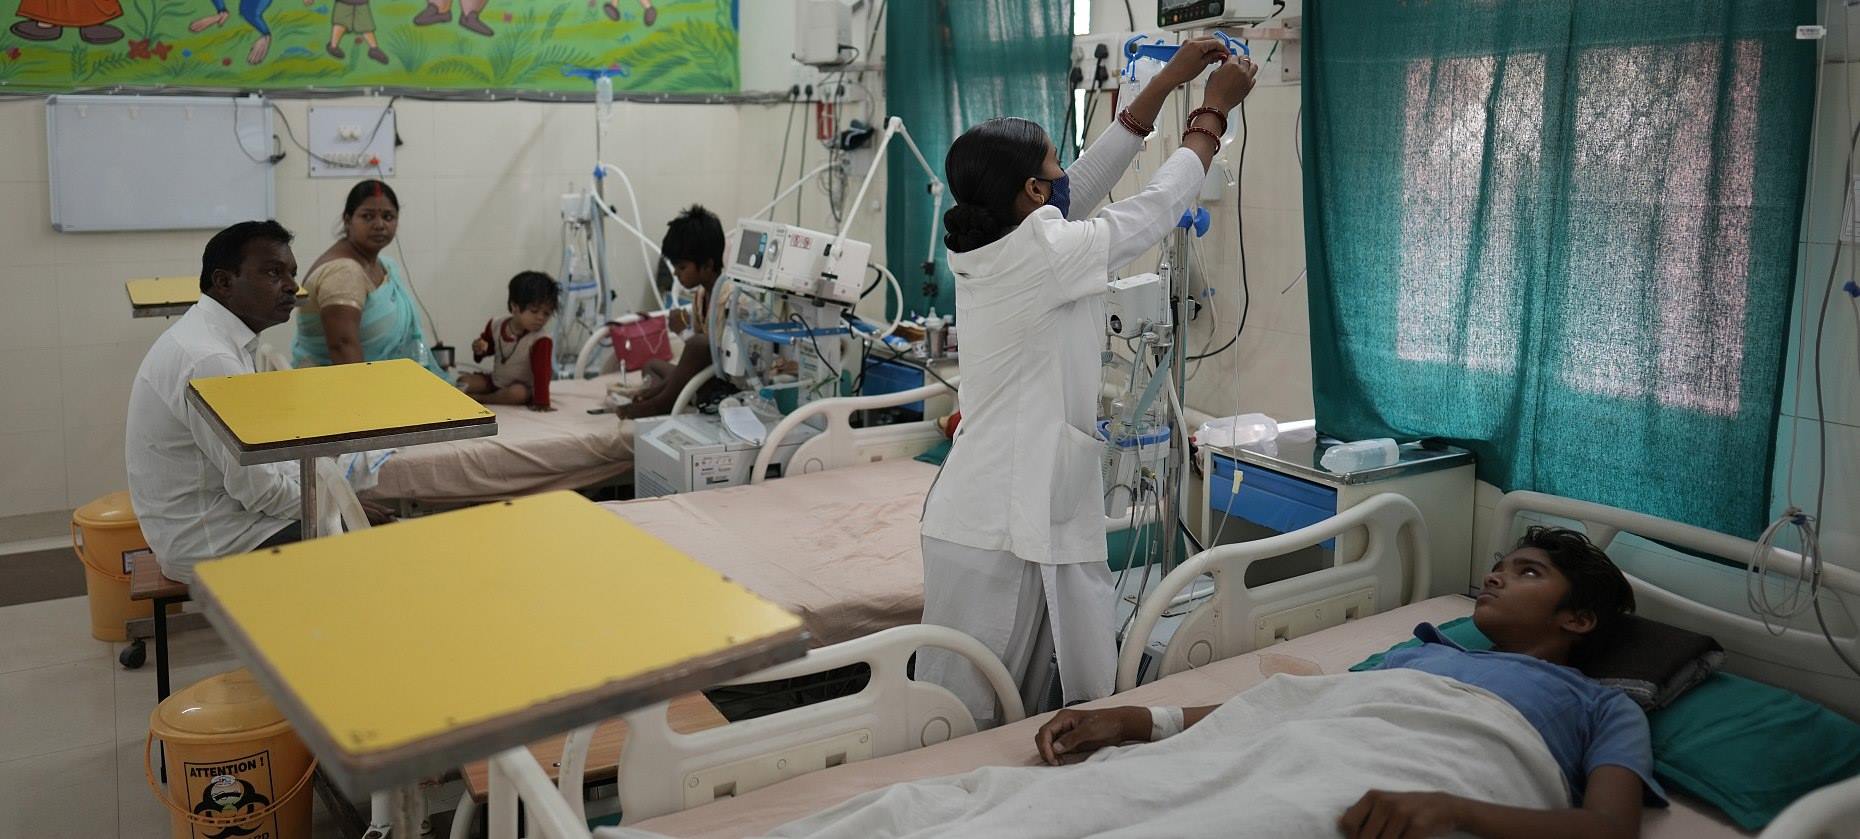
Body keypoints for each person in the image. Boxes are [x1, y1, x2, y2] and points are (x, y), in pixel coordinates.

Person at [915, 39, 1256, 724]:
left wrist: (1163, 84)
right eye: (1052, 166)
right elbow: (1155, 209)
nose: (1064, 175)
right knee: (959, 722)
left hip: (1000, 507)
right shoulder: (1047, 252)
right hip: (996, 525)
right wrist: (1211, 116)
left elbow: (1084, 183)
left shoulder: (1001, 240)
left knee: (1005, 714)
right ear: (1031, 193)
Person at [1034, 527, 1665, 839]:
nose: (1496, 576)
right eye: (1499, 567)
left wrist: (1451, 808)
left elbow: (1610, 828)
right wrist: (1137, 721)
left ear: (1579, 618)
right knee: (1085, 802)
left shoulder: (1604, 707)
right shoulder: (1421, 655)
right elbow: (1294, 708)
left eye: (1527, 573)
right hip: (1300, 755)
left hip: (1375, 794)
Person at [126, 222, 390, 582]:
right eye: (273, 273)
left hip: (212, 521)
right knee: (377, 544)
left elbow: (263, 465)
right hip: (213, 540)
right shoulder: (210, 360)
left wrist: (333, 498)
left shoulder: (216, 339)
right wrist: (338, 509)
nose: (291, 286)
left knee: (354, 515)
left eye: (292, 273)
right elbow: (257, 490)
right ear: (224, 282)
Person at [292, 180, 446, 378]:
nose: (379, 225)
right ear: (348, 220)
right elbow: (343, 346)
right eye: (367, 216)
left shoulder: (383, 265)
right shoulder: (343, 273)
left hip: (378, 381)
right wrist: (366, 395)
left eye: (388, 217)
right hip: (336, 387)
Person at [613, 204, 729, 421]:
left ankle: (660, 404)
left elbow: (714, 355)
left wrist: (683, 332)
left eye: (682, 267)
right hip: (700, 381)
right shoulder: (700, 296)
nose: (675, 273)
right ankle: (663, 395)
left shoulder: (731, 298)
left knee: (698, 344)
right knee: (651, 366)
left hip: (723, 386)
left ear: (707, 265)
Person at [461, 271, 561, 411]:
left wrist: (542, 403)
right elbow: (487, 348)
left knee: (517, 393)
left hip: (522, 387)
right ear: (514, 307)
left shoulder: (541, 339)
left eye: (546, 313)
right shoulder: (496, 324)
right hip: (496, 381)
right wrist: (479, 349)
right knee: (464, 381)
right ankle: (485, 394)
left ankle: (482, 399)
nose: (541, 318)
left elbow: (542, 374)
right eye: (534, 311)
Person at [324, 0, 389, 65]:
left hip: (361, 2)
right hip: (343, 2)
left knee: (365, 24)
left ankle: (374, 49)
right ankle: (333, 46)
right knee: (341, 22)